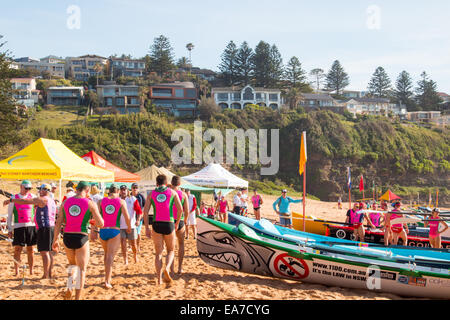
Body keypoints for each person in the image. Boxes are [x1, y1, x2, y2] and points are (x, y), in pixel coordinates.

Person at [52, 181, 104, 300]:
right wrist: (93, 222)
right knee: (81, 270)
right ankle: (77, 297)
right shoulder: (90, 203)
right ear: (87, 191)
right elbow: (101, 223)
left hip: (67, 237)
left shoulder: (65, 202)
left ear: (77, 190)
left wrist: (55, 240)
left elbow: (58, 222)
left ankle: (70, 287)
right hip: (81, 237)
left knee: (72, 265)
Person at [7, 183, 57, 279]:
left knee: (44, 252)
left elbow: (23, 201)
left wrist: (11, 200)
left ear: (45, 190)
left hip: (44, 227)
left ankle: (46, 275)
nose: (39, 191)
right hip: (50, 227)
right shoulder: (51, 200)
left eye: (40, 189)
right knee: (49, 252)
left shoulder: (42, 199)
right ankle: (49, 274)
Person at [143, 175, 183, 285]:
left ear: (156, 183)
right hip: (169, 223)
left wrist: (146, 227)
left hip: (156, 224)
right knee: (170, 250)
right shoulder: (172, 192)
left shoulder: (152, 194)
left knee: (158, 253)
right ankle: (168, 267)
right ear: (166, 183)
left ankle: (159, 279)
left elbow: (145, 212)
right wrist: (177, 222)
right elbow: (180, 210)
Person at [97, 185, 131, 288]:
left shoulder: (101, 201)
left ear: (109, 191)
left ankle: (107, 276)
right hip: (114, 230)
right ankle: (107, 280)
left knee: (106, 254)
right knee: (110, 256)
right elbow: (127, 216)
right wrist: (129, 227)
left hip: (103, 231)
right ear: (117, 192)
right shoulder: (121, 201)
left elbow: (97, 216)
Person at [4, 180, 37, 276]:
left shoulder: (33, 197)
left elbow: (37, 210)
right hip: (19, 226)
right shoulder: (14, 198)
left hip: (31, 226)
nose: (28, 190)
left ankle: (31, 270)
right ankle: (16, 271)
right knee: (18, 249)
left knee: (30, 249)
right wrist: (10, 229)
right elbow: (9, 215)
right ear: (21, 187)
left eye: (29, 188)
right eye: (26, 188)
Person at [169, 176, 189, 275]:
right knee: (181, 244)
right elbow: (187, 211)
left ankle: (171, 269)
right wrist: (185, 221)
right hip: (180, 220)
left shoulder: (168, 193)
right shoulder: (184, 194)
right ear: (180, 184)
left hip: (170, 220)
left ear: (171, 183)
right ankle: (180, 268)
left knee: (170, 247)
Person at [119, 185, 142, 265]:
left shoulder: (132, 199)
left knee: (133, 244)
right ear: (119, 191)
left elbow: (139, 211)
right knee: (123, 243)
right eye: (121, 189)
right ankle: (125, 260)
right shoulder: (118, 200)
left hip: (132, 225)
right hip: (121, 226)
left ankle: (135, 256)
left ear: (128, 190)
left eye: (124, 189)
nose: (123, 191)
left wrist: (138, 220)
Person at [131, 183, 146, 253]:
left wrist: (142, 213)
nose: (135, 189)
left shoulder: (140, 196)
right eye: (134, 187)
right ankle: (132, 246)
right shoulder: (129, 196)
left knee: (138, 232)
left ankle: (138, 246)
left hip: (138, 217)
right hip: (131, 217)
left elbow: (145, 205)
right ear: (131, 188)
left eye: (136, 187)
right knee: (131, 232)